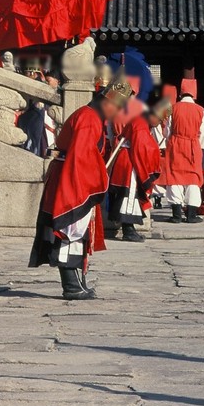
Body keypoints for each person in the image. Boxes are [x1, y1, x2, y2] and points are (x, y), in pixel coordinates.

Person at [30, 70, 133, 300]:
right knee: (71, 231)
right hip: (73, 179)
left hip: (72, 175)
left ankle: (78, 281)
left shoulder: (91, 116)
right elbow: (81, 157)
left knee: (79, 232)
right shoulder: (88, 119)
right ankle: (72, 285)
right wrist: (93, 181)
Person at [108, 98, 170, 242]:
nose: (158, 124)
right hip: (130, 163)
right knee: (129, 196)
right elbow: (140, 150)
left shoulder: (140, 121)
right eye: (159, 120)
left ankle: (130, 228)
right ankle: (128, 230)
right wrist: (145, 176)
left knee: (128, 195)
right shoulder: (141, 124)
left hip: (127, 160)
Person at [164, 79, 204, 223]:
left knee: (174, 176)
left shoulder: (173, 107)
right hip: (193, 145)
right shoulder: (200, 110)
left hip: (176, 143)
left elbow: (167, 130)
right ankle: (191, 214)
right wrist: (199, 148)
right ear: (194, 93)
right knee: (193, 178)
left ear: (181, 92)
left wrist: (170, 142)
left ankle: (176, 215)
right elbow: (203, 133)